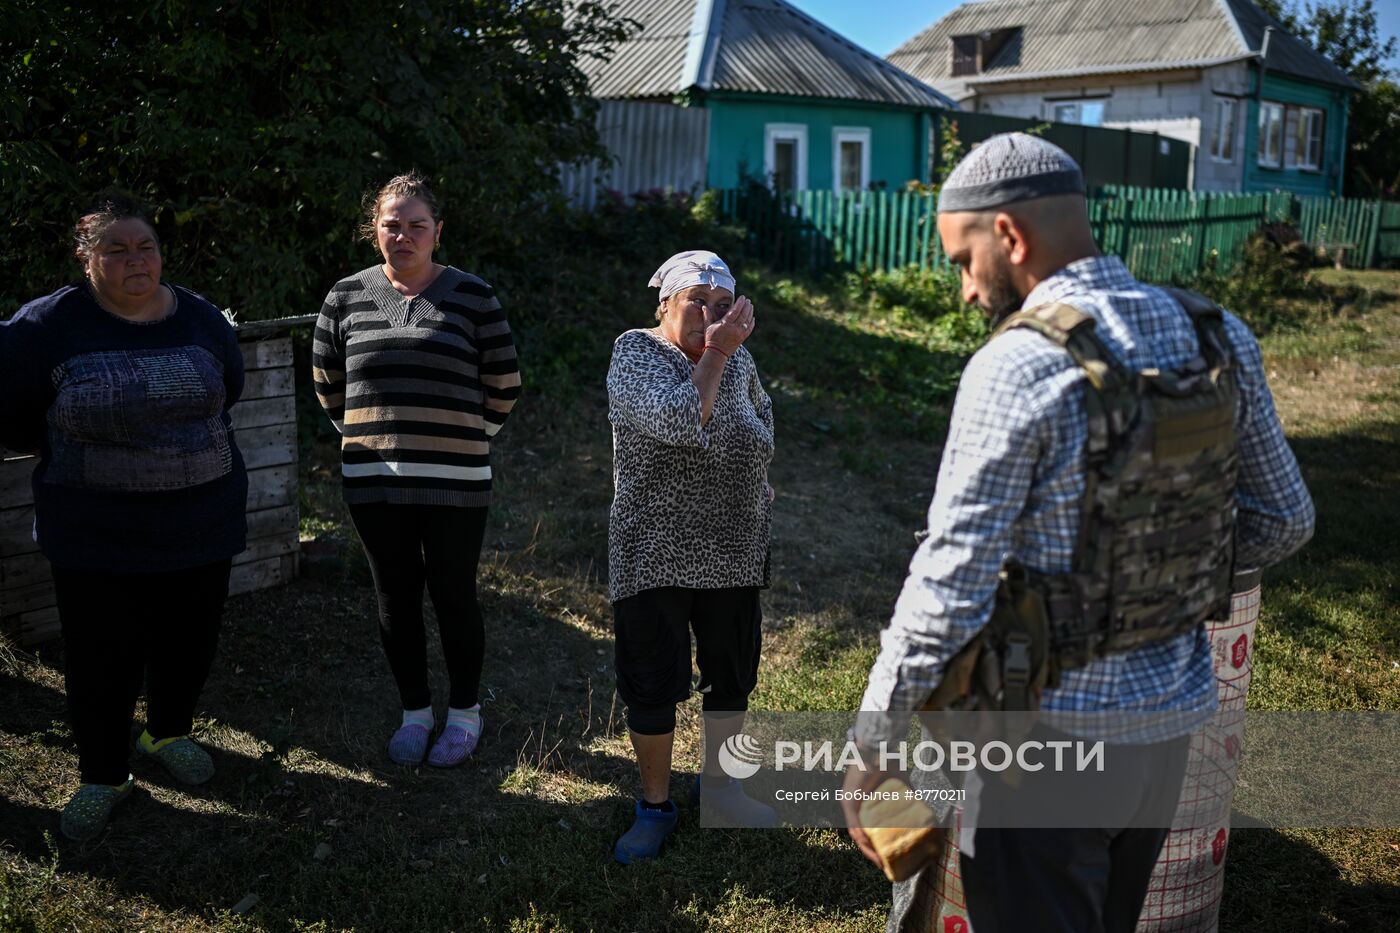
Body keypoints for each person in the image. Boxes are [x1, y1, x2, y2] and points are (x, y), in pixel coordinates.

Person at [843, 135, 1315, 932]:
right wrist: (1165, 579)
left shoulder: (1018, 365)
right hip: (1167, 734)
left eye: (963, 260)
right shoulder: (1218, 333)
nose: (963, 290)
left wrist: (873, 742)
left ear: (1011, 236)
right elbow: (1285, 518)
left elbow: (949, 583)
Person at [0, 194, 248, 842]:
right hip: (95, 537)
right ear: (86, 258)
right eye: (116, 249)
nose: (136, 260)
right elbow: (13, 411)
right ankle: (103, 773)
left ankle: (167, 731)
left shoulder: (199, 317)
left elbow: (233, 385)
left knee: (188, 642)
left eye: (146, 247)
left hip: (203, 523)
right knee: (98, 658)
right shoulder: (46, 326)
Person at [313, 172, 519, 768]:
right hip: (374, 481)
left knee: (453, 593)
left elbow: (503, 383)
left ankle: (463, 715)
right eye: (391, 225)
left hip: (456, 481)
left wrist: (461, 441)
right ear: (374, 230)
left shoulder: (473, 295)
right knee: (394, 596)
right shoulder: (345, 297)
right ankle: (414, 712)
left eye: (416, 226)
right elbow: (328, 385)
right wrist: (367, 438)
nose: (403, 236)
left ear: (437, 231)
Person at [605, 250, 776, 864]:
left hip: (733, 544)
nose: (711, 315)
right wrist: (720, 351)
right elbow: (682, 419)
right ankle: (655, 806)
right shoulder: (637, 353)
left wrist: (760, 475)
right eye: (696, 303)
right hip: (654, 546)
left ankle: (722, 789)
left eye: (723, 306)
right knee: (653, 681)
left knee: (731, 677)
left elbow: (763, 420)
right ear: (666, 305)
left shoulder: (741, 358)